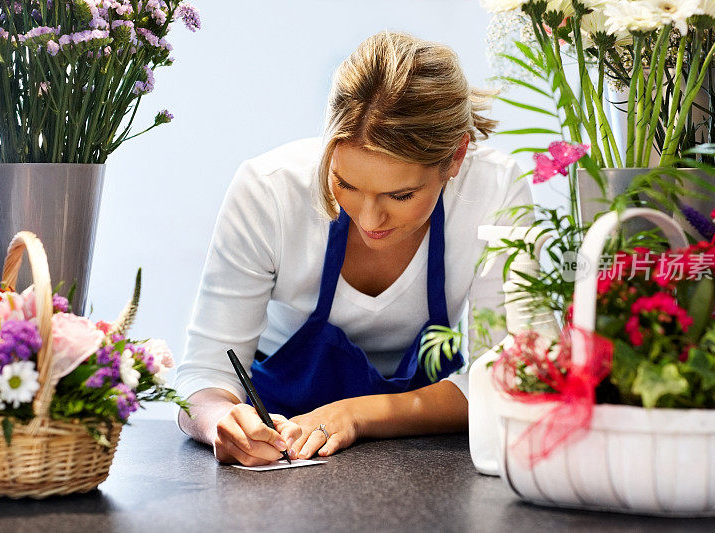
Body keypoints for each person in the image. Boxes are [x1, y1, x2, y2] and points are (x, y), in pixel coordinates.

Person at [175, 31, 532, 466]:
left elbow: (506, 377)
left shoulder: (494, 190)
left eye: (400, 196)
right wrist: (221, 423)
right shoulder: (268, 191)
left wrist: (358, 414)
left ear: (455, 157)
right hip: (282, 437)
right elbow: (203, 377)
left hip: (425, 454)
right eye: (344, 183)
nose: (368, 220)